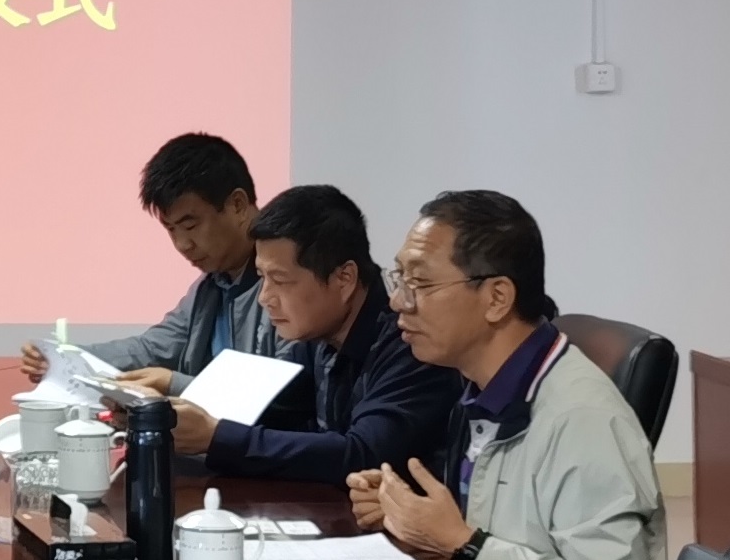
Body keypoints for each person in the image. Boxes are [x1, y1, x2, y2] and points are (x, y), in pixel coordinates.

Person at [358, 189, 671, 560]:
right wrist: (418, 519)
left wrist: (462, 542)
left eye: (419, 282)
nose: (399, 301)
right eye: (399, 278)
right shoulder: (483, 389)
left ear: (497, 298)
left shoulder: (583, 420)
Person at [159, 184, 458, 484]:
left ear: (344, 279)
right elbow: (274, 412)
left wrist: (216, 437)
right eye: (262, 277)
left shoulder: (409, 343)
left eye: (280, 280)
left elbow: (362, 455)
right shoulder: (317, 336)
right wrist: (171, 414)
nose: (264, 297)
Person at [23, 130, 286, 386]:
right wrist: (65, 358)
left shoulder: (289, 280)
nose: (182, 244)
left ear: (237, 205)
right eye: (171, 229)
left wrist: (175, 384)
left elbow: (277, 397)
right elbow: (151, 349)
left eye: (191, 225)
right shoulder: (212, 285)